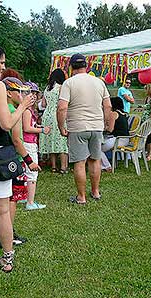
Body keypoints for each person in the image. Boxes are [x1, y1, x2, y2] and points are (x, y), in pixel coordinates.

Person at [0, 44, 34, 272]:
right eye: (2, 62)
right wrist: (23, 106)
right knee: (2, 210)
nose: (3, 67)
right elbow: (6, 123)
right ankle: (7, 259)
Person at [57, 53, 112, 204]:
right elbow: (107, 105)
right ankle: (95, 192)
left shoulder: (68, 83)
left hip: (77, 127)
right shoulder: (99, 82)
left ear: (71, 67)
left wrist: (61, 127)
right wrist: (106, 123)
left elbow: (62, 108)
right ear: (86, 66)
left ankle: (81, 197)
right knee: (95, 160)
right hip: (97, 126)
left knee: (79, 162)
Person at [22, 82, 51, 210]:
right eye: (30, 93)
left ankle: (24, 197)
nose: (33, 96)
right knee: (32, 173)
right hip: (28, 143)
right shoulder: (27, 111)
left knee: (26, 171)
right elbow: (27, 128)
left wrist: (39, 127)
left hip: (29, 143)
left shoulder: (27, 110)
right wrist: (42, 130)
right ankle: (30, 202)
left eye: (35, 93)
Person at [39, 68, 69, 173]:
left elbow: (43, 104)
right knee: (61, 141)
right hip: (57, 114)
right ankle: (63, 167)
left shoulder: (47, 88)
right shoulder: (61, 88)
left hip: (47, 115)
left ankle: (53, 167)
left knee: (51, 140)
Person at [100, 97, 129, 172]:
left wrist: (103, 128)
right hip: (126, 139)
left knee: (97, 148)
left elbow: (110, 130)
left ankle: (107, 166)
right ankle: (104, 165)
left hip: (118, 139)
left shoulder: (113, 114)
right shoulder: (123, 113)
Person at [141, 84, 151, 161]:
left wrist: (150, 120)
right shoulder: (147, 98)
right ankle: (144, 151)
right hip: (144, 119)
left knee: (149, 138)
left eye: (146, 89)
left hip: (149, 121)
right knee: (144, 136)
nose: (145, 91)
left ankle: (149, 154)